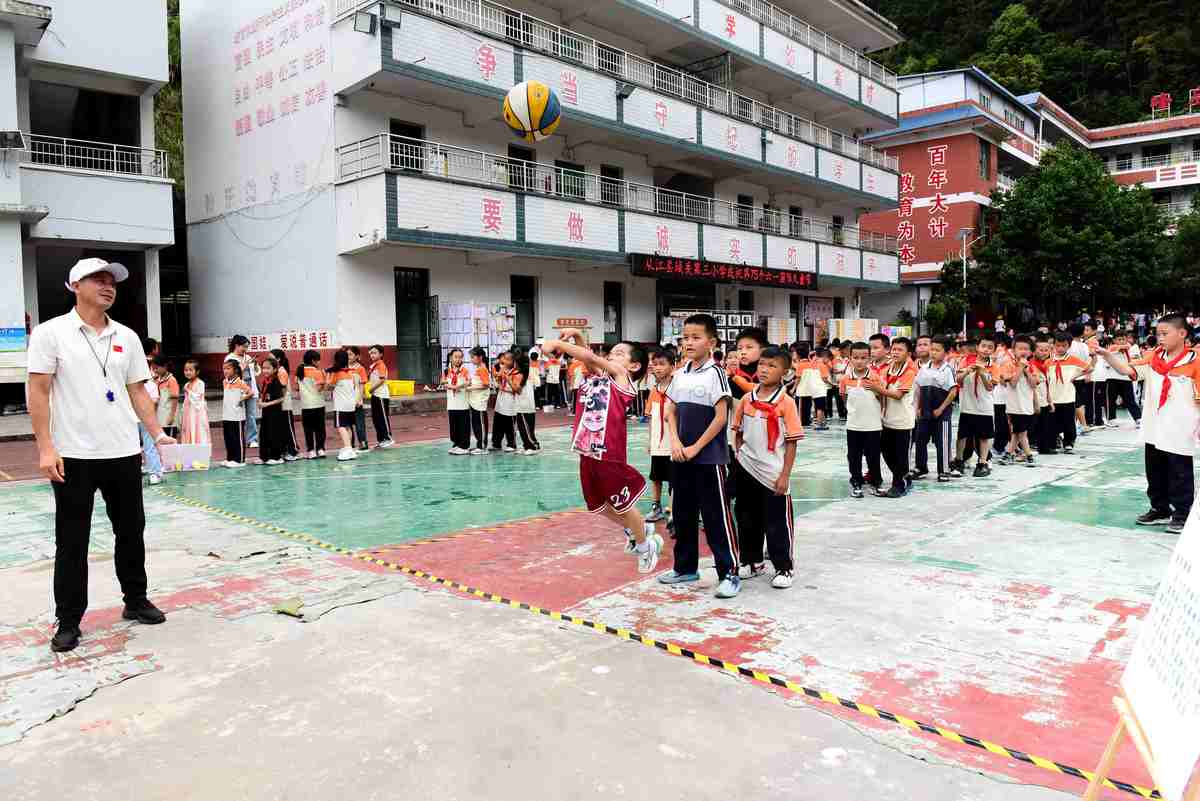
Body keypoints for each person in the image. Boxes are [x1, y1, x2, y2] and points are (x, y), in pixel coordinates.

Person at [26, 258, 174, 653]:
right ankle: (69, 619)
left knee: (131, 531)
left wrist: (157, 434)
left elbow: (138, 390)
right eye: (98, 280)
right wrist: (45, 447)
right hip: (72, 455)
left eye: (112, 282)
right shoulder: (50, 334)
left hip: (123, 451)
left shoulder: (127, 336)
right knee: (72, 540)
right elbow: (38, 390)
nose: (108, 287)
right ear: (74, 285)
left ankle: (135, 600)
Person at [540, 328, 661, 572]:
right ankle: (638, 528)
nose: (613, 356)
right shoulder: (602, 377)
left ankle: (645, 547)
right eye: (612, 353)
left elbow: (591, 357)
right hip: (587, 451)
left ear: (634, 366)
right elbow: (589, 358)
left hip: (609, 453)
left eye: (620, 353)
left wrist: (558, 344)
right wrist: (577, 336)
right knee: (597, 506)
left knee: (623, 505)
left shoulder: (621, 378)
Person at [658, 314, 741, 599]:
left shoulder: (715, 373)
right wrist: (676, 442)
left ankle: (729, 572)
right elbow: (670, 411)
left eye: (696, 337)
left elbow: (721, 417)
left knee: (716, 516)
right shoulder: (680, 374)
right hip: (681, 457)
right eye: (685, 337)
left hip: (709, 459)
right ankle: (685, 568)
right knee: (683, 514)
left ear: (711, 342)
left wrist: (696, 447)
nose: (689, 342)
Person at [1096, 313, 1200, 534]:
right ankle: (1160, 509)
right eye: (1158, 334)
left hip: (1180, 427)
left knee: (1180, 473)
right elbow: (1128, 370)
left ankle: (1182, 513)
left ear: (1182, 333)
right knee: (1155, 470)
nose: (1160, 338)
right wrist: (1108, 356)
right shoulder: (1154, 358)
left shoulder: (1195, 361)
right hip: (1154, 426)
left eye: (1165, 333)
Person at [731, 345, 801, 587]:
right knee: (746, 519)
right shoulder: (746, 400)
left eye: (772, 366)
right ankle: (752, 561)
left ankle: (784, 567)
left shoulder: (786, 403)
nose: (764, 369)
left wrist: (785, 475)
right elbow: (738, 432)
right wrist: (741, 457)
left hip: (773, 472)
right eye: (762, 364)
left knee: (777, 523)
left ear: (785, 372)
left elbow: (791, 442)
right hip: (746, 469)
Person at [911, 335, 957, 482]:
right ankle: (920, 468)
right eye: (932, 349)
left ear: (946, 353)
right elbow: (918, 388)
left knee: (942, 442)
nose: (933, 353)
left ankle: (944, 470)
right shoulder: (924, 368)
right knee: (920, 440)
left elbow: (953, 392)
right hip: (924, 411)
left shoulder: (947, 370)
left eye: (937, 350)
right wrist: (918, 407)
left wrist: (941, 409)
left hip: (941, 414)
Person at [840, 341, 883, 497]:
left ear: (869, 358)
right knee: (854, 455)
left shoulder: (875, 378)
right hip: (853, 425)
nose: (859, 361)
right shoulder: (845, 379)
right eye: (856, 357)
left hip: (873, 425)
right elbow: (844, 398)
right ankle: (856, 480)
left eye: (863, 358)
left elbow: (882, 398)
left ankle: (876, 481)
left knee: (873, 455)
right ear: (850, 358)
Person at [953, 334, 998, 478]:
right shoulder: (965, 361)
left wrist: (982, 372)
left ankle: (982, 462)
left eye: (990, 347)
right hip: (967, 406)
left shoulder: (994, 367)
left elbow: (990, 387)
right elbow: (958, 380)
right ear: (977, 347)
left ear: (994, 350)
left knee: (984, 437)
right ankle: (959, 460)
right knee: (962, 435)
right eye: (983, 346)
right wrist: (968, 370)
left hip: (984, 407)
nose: (986, 349)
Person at [877, 337, 917, 497]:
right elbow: (880, 388)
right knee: (886, 451)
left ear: (908, 353)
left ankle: (898, 485)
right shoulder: (887, 369)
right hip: (887, 420)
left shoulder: (909, 372)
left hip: (903, 422)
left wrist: (877, 389)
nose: (895, 352)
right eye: (894, 349)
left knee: (901, 456)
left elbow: (898, 395)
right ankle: (904, 477)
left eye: (900, 350)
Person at [1047, 332, 1090, 454]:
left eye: (1063, 346)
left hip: (1068, 396)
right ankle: (1054, 440)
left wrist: (1075, 376)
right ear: (1054, 345)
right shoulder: (1048, 361)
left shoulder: (1073, 360)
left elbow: (1089, 368)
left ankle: (1069, 443)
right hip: (1053, 396)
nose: (1060, 348)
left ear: (1069, 346)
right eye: (1058, 345)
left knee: (1069, 421)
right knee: (1053, 421)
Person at [1001, 335, 1041, 466]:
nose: (1023, 351)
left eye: (1026, 349)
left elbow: (1034, 384)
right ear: (1013, 350)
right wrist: (1019, 368)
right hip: (1014, 405)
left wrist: (1027, 370)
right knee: (1021, 432)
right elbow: (1012, 383)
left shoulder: (1032, 366)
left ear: (1031, 352)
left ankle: (1008, 454)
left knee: (1017, 432)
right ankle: (1029, 455)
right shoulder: (1009, 365)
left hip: (1026, 405)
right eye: (1020, 348)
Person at [645, 349, 674, 524]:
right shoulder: (653, 391)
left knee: (673, 478)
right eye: (655, 364)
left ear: (672, 366)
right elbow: (651, 418)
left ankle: (672, 511)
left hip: (673, 443)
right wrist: (651, 441)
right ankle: (656, 508)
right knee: (655, 477)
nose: (658, 368)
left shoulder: (677, 390)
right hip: (658, 442)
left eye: (662, 364)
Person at [226, 335, 260, 449]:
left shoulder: (248, 357)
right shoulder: (229, 358)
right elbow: (228, 375)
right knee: (237, 414)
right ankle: (237, 438)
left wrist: (255, 364)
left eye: (247, 347)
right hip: (237, 388)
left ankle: (252, 439)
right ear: (237, 345)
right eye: (244, 347)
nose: (246, 349)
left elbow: (257, 373)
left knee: (251, 415)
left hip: (250, 387)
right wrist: (242, 367)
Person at [326, 349, 359, 461]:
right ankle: (348, 448)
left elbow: (328, 386)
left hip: (341, 405)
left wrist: (328, 376)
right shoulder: (350, 373)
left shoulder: (337, 373)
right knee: (348, 426)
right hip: (350, 404)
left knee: (341, 426)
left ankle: (348, 449)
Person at [1105, 331, 1142, 428]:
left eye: (1123, 339)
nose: (1121, 341)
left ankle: (1138, 418)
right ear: (1114, 340)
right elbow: (1114, 349)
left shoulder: (1128, 350)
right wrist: (1122, 347)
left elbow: (1128, 347)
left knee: (1130, 400)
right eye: (1119, 339)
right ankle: (1111, 419)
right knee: (1111, 400)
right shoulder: (1111, 349)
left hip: (1126, 378)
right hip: (1112, 378)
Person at [269, 349, 300, 462]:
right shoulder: (276, 371)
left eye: (271, 358)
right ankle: (285, 451)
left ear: (278, 359)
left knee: (288, 429)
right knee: (281, 429)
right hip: (278, 404)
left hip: (285, 404)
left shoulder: (281, 371)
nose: (268, 360)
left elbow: (282, 389)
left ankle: (293, 451)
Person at [257, 355, 288, 465]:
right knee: (264, 434)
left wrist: (266, 404)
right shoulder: (266, 381)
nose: (265, 370)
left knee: (274, 434)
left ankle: (276, 457)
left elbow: (281, 398)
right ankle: (264, 457)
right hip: (266, 412)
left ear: (274, 369)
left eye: (268, 368)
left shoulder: (276, 382)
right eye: (263, 368)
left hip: (275, 412)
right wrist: (260, 401)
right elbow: (263, 394)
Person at [221, 359, 251, 467]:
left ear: (235, 370)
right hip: (226, 415)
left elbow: (250, 392)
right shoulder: (225, 382)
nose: (225, 371)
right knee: (228, 438)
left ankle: (240, 460)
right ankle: (230, 458)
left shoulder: (240, 382)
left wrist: (242, 398)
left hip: (237, 416)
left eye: (228, 368)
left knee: (237, 437)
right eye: (224, 369)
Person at [297, 350, 327, 459]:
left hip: (306, 405)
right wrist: (325, 380)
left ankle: (311, 451)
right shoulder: (317, 372)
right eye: (318, 360)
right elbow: (319, 389)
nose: (319, 363)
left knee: (308, 429)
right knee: (320, 428)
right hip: (318, 404)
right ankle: (320, 449)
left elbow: (297, 387)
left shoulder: (299, 371)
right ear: (313, 361)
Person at [442, 348, 471, 455]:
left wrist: (459, 386)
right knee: (454, 426)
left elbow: (469, 382)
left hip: (462, 402)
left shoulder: (465, 370)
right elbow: (443, 382)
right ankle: (457, 444)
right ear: (451, 358)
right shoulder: (447, 370)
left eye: (460, 357)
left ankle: (464, 446)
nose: (458, 359)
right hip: (452, 402)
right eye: (456, 357)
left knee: (463, 425)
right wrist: (450, 386)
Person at [490, 351, 518, 452]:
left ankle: (511, 444)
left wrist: (505, 387)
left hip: (510, 402)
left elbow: (516, 389)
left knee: (509, 424)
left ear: (513, 361)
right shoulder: (502, 369)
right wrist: (497, 378)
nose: (505, 361)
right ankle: (496, 443)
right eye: (504, 359)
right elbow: (498, 382)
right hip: (501, 400)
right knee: (497, 423)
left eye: (508, 359)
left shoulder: (516, 372)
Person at [513, 351, 540, 454]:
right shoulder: (528, 373)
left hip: (523, 405)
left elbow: (518, 390)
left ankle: (531, 447)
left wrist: (508, 379)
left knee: (524, 427)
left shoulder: (520, 375)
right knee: (529, 427)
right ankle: (530, 445)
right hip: (529, 405)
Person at [179, 359, 210, 445]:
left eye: (190, 370)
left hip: (197, 414)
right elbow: (186, 401)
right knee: (188, 431)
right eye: (186, 370)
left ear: (197, 371)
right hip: (188, 413)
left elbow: (198, 399)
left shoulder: (200, 383)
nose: (188, 372)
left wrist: (188, 391)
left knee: (198, 431)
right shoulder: (187, 385)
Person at [466, 347, 491, 454]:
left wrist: (471, 388)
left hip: (479, 401)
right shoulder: (479, 368)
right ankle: (479, 445)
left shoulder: (482, 369)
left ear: (480, 357)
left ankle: (482, 446)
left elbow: (486, 385)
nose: (471, 359)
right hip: (475, 401)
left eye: (473, 357)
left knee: (480, 424)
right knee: (476, 423)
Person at [346, 346, 370, 451]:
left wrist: (359, 399)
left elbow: (362, 386)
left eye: (350, 354)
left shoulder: (360, 368)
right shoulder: (344, 367)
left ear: (357, 356)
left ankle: (363, 443)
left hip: (356, 401)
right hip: (346, 401)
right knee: (347, 424)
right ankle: (349, 444)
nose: (348, 356)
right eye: (347, 354)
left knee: (359, 423)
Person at [151, 356, 180, 443]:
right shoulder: (157, 380)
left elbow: (175, 398)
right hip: (160, 416)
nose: (155, 370)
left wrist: (172, 416)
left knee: (170, 440)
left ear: (164, 366)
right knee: (163, 441)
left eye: (157, 368)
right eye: (153, 368)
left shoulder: (171, 380)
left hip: (168, 416)